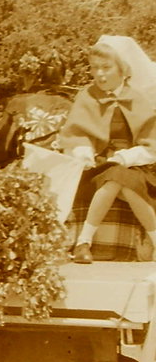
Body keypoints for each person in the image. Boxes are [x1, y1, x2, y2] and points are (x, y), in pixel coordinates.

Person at [60, 38, 156, 264]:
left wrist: (127, 156)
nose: (99, 74)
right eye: (95, 68)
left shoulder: (138, 99)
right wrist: (82, 151)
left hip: (132, 165)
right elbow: (76, 133)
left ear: (122, 69)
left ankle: (84, 242)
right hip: (97, 165)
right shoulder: (87, 96)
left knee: (121, 177)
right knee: (117, 177)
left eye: (106, 68)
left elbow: (152, 143)